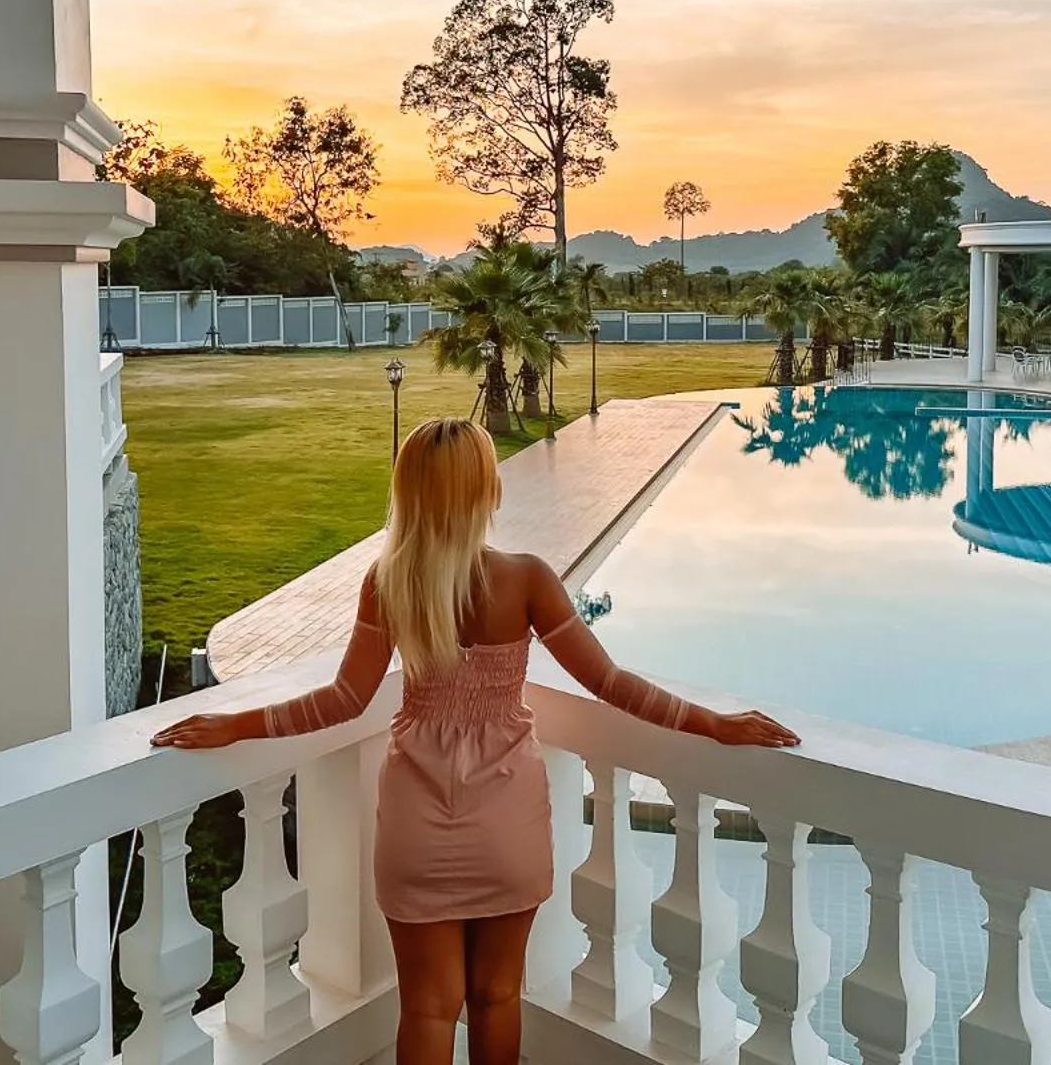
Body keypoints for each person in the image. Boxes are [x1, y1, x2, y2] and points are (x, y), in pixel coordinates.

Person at [153, 416, 798, 1065]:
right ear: (487, 489)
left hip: (417, 819)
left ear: (409, 492)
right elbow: (610, 681)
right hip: (505, 818)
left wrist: (235, 723)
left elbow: (342, 699)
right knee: (496, 996)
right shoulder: (525, 578)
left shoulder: (389, 582)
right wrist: (713, 722)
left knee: (428, 1005)